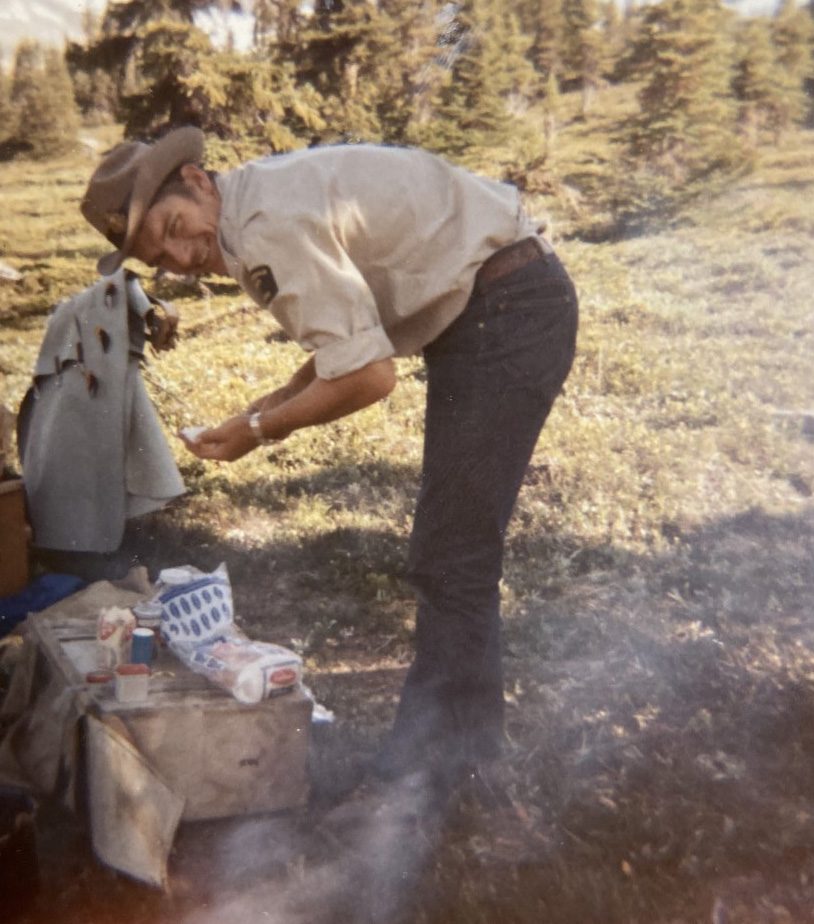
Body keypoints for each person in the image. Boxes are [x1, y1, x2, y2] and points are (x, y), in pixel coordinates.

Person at [81, 125, 578, 786]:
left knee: (452, 554)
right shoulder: (254, 201)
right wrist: (270, 401)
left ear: (197, 181)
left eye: (175, 225)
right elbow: (347, 343)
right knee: (452, 551)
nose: (181, 253)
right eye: (160, 255)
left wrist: (260, 430)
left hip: (508, 309)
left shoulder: (262, 228)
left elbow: (370, 376)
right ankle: (455, 758)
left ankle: (437, 772)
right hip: (492, 304)